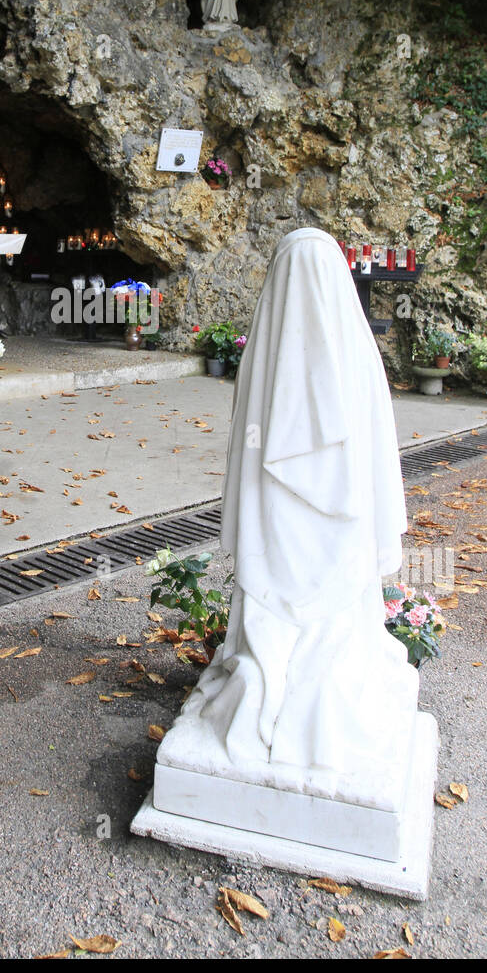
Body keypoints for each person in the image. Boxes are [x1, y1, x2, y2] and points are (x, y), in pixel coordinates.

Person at [160, 227, 418, 798]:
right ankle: (313, 690)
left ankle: (269, 683)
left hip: (278, 538)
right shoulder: (356, 353)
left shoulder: (264, 358)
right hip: (338, 534)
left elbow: (253, 454)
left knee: (281, 606)